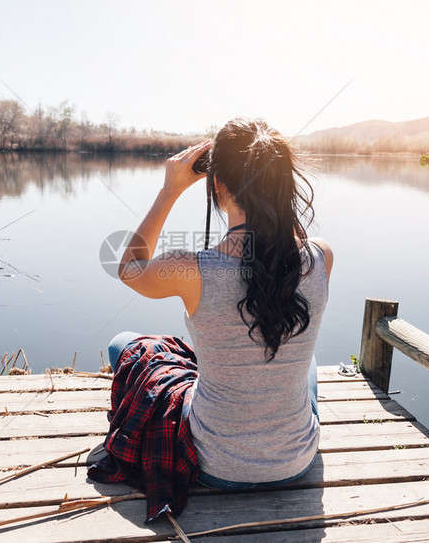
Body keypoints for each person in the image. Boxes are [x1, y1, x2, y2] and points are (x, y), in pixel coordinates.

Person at [92, 118, 332, 509]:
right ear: (284, 183)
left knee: (122, 344)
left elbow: (128, 269)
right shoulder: (321, 256)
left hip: (214, 465)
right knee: (309, 363)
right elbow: (274, 257)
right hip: (295, 461)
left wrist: (169, 191)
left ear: (217, 184)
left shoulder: (192, 269)